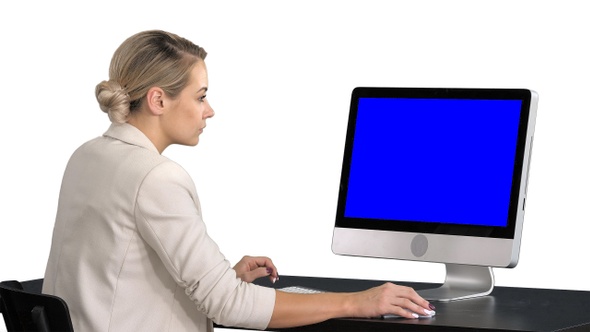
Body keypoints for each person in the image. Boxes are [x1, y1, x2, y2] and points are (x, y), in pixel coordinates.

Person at [42, 29, 435, 332]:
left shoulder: (89, 155)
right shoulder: (155, 177)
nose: (209, 111)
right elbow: (227, 306)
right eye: (200, 97)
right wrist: (359, 302)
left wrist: (221, 279)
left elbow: (116, 273)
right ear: (158, 101)